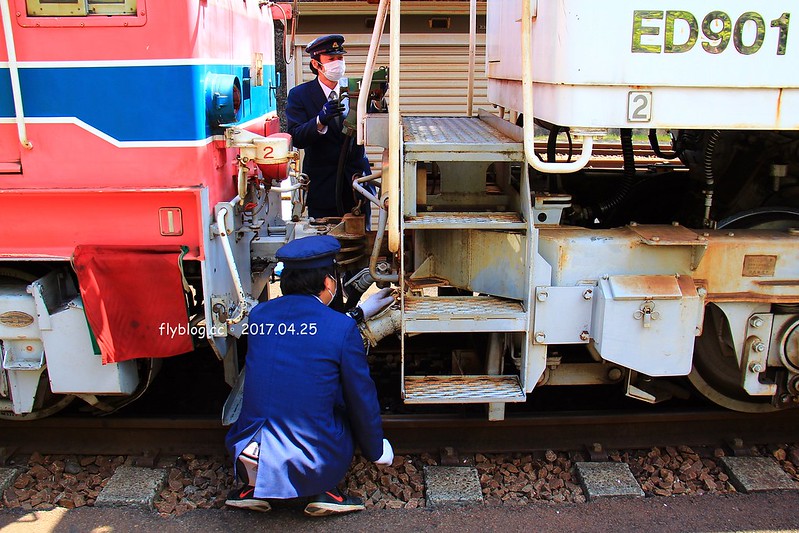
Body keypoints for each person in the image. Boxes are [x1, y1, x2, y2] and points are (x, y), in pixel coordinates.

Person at [224, 235, 395, 516]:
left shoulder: (260, 317)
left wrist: (357, 314)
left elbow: (303, 336)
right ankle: (324, 491)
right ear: (328, 282)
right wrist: (376, 450)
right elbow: (360, 398)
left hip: (248, 453)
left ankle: (252, 488)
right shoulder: (340, 329)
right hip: (312, 463)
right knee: (342, 398)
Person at [286, 34, 371, 220]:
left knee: (360, 239)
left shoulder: (359, 90)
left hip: (356, 182)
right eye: (331, 59)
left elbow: (375, 124)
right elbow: (296, 137)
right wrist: (320, 121)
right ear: (317, 65)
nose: (337, 63)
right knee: (325, 239)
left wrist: (378, 103)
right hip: (323, 185)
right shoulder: (300, 95)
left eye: (340, 58)